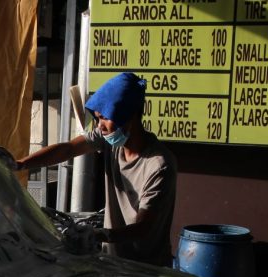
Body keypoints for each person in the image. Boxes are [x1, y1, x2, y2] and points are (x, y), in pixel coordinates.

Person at [16, 72, 177, 266]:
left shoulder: (158, 165)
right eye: (98, 118)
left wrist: (99, 234)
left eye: (105, 118)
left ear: (129, 115)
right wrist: (20, 164)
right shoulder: (108, 139)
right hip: (113, 263)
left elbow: (143, 228)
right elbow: (68, 149)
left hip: (147, 269)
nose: (100, 126)